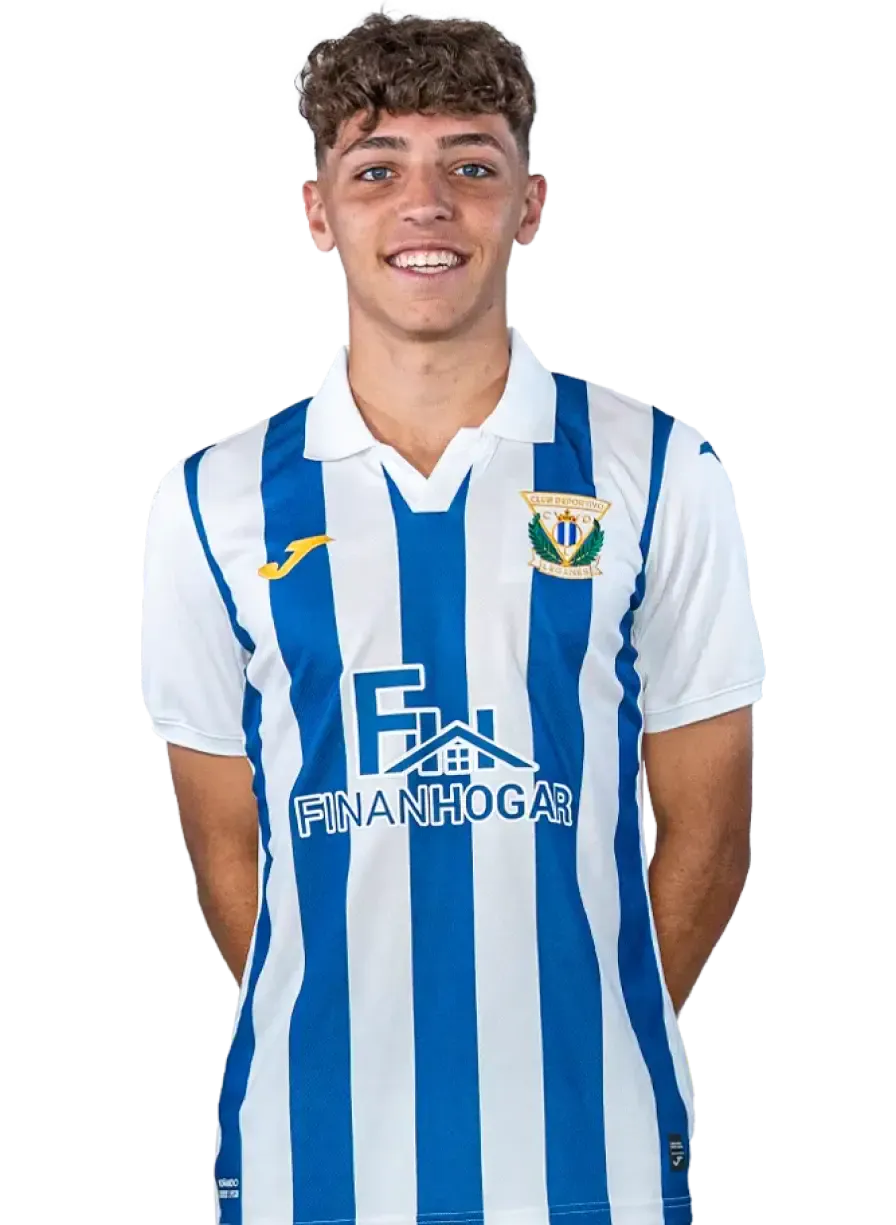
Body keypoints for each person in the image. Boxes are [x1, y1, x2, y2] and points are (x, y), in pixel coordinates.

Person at [139, 10, 765, 1225]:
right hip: (310, 1162)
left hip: (588, 1160)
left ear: (529, 204)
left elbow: (709, 824)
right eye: (376, 170)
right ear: (318, 212)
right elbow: (227, 845)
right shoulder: (213, 501)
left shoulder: (654, 468)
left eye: (469, 166)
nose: (424, 205)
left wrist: (576, 1028)